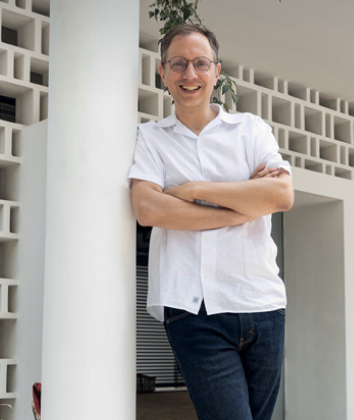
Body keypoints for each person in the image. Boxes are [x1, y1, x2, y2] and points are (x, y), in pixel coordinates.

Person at [128, 24, 293, 420]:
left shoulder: (251, 130)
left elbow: (281, 196)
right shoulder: (150, 138)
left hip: (262, 304)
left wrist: (191, 189)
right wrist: (244, 204)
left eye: (200, 63)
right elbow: (149, 210)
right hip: (192, 308)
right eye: (179, 64)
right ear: (162, 72)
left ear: (217, 72)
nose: (190, 74)